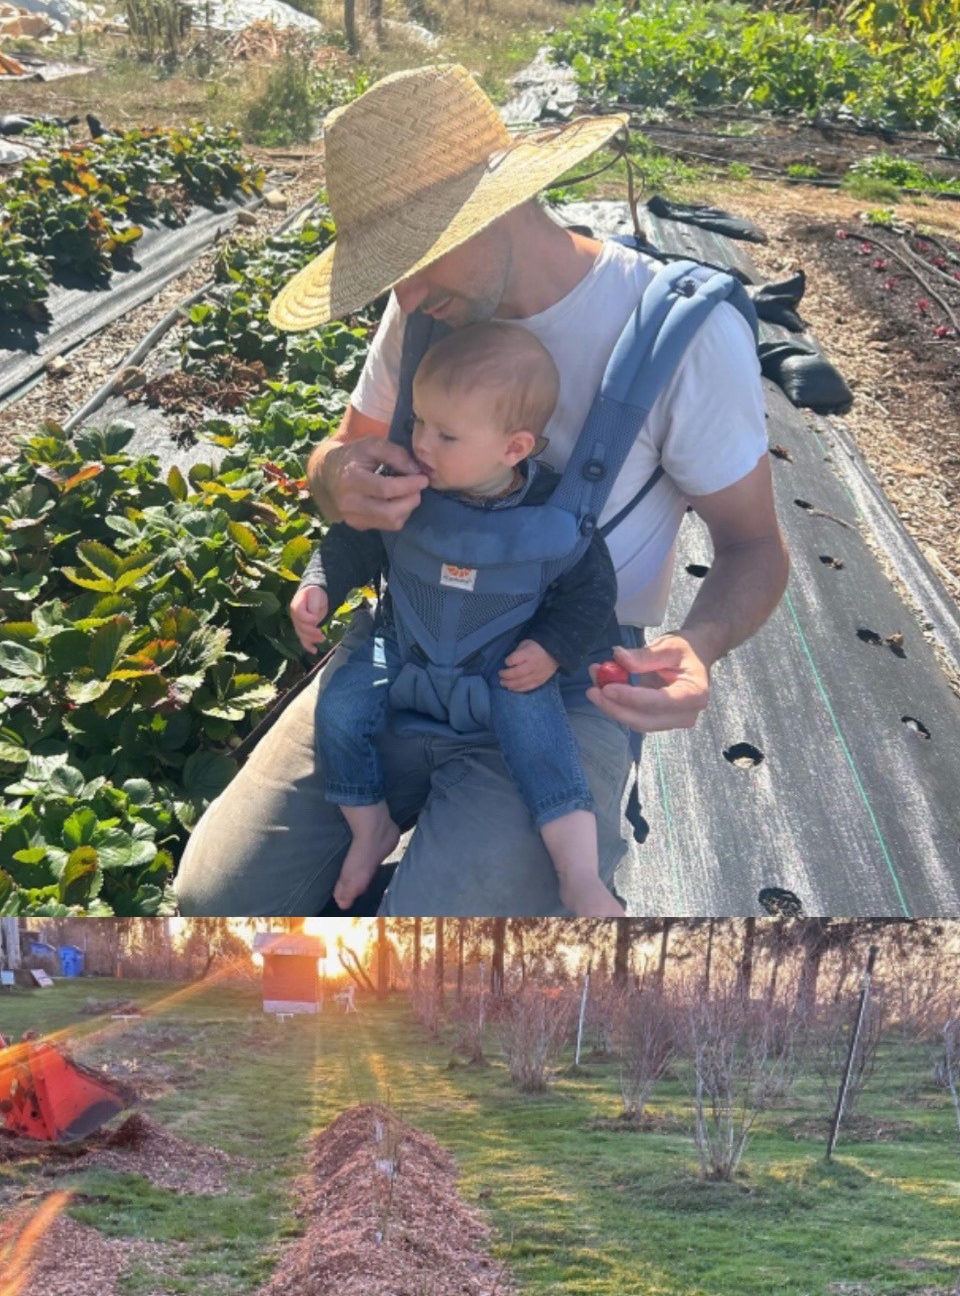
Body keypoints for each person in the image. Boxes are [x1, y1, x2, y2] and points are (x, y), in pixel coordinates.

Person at [174, 65, 787, 917]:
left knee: (442, 940)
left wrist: (701, 644)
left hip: (557, 669)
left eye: (417, 258)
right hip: (408, 640)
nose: (405, 294)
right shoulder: (428, 306)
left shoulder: (680, 337)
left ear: (502, 202)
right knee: (215, 898)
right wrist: (332, 481)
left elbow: (755, 547)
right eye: (389, 270)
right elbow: (342, 457)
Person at [295, 321, 622, 917]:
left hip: (504, 655)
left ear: (514, 448)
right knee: (341, 705)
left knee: (539, 732)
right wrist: (320, 582)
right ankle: (369, 825)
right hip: (405, 638)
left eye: (446, 434)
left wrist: (550, 648)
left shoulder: (555, 510)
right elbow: (356, 540)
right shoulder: (406, 482)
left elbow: (592, 593)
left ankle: (578, 873)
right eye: (418, 420)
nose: (421, 443)